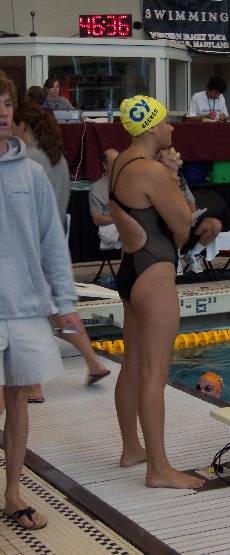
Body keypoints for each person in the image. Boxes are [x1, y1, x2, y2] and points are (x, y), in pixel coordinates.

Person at [109, 94, 204, 489]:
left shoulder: (121, 163)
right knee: (154, 373)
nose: (171, 127)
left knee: (132, 365)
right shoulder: (152, 171)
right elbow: (184, 225)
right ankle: (159, 469)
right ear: (150, 127)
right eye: (165, 121)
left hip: (130, 271)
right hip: (154, 273)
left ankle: (132, 448)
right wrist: (172, 175)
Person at [0, 73, 81, 530]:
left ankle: (12, 493)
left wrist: (64, 301)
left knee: (18, 402)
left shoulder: (31, 173)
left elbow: (52, 242)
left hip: (26, 308)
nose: (2, 112)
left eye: (6, 103)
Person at [13, 100, 111, 399]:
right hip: (55, 239)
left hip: (32, 245)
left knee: (34, 314)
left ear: (21, 126)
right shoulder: (57, 160)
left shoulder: (27, 160)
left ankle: (34, 385)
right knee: (59, 310)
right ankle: (93, 362)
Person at [177, 171, 222, 274]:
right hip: (174, 223)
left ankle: (193, 254)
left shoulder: (182, 181)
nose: (179, 164)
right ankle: (176, 257)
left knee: (215, 224)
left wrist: (194, 216)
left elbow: (191, 201)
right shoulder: (164, 183)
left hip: (188, 221)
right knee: (179, 225)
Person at [89, 149, 121, 250]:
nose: (117, 166)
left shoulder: (128, 182)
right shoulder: (96, 188)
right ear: (105, 165)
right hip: (110, 227)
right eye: (114, 163)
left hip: (130, 225)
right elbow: (97, 219)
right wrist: (121, 220)